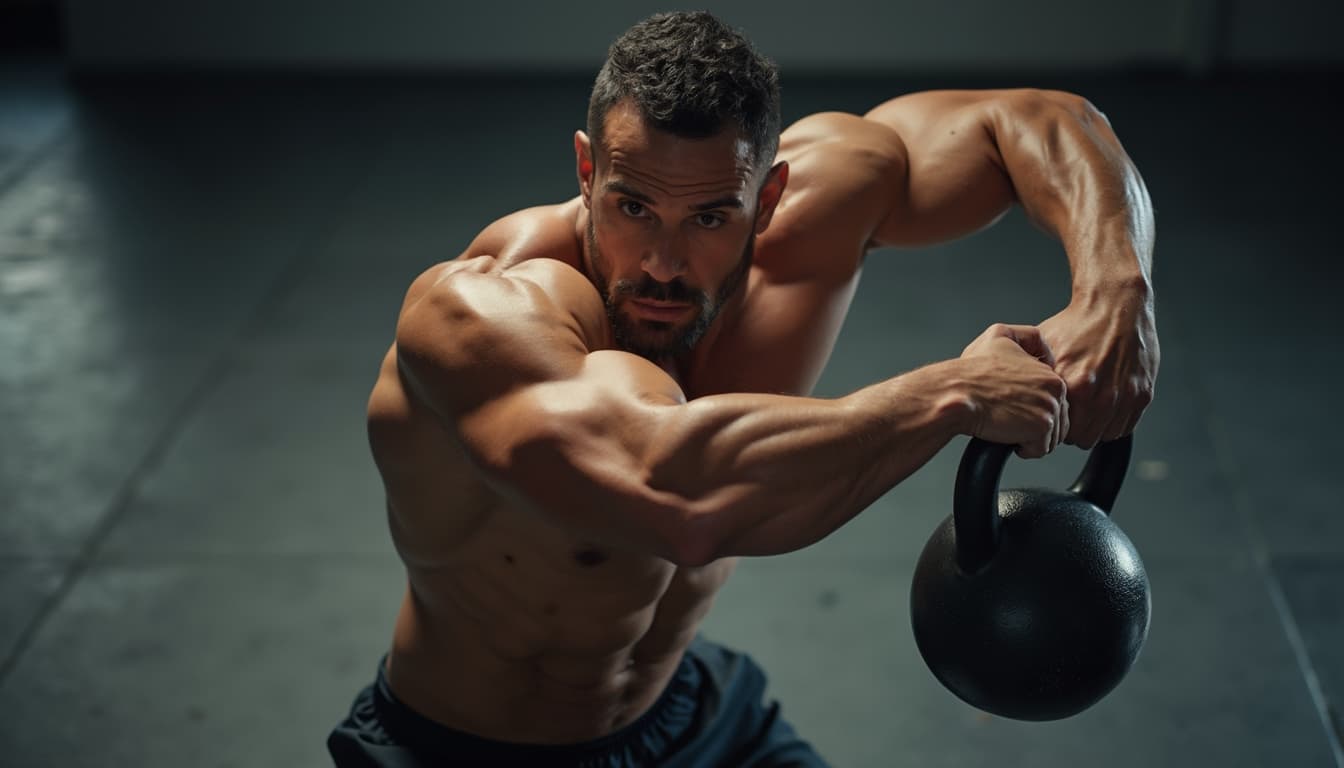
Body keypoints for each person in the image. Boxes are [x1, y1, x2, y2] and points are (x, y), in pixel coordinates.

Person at [327, 10, 1159, 767]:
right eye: (632, 206)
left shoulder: (811, 225)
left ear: (770, 198)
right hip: (470, 754)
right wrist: (949, 394)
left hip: (688, 712)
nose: (660, 262)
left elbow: (1041, 121)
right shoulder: (480, 311)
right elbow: (679, 494)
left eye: (710, 218)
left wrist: (1116, 291)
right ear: (587, 171)